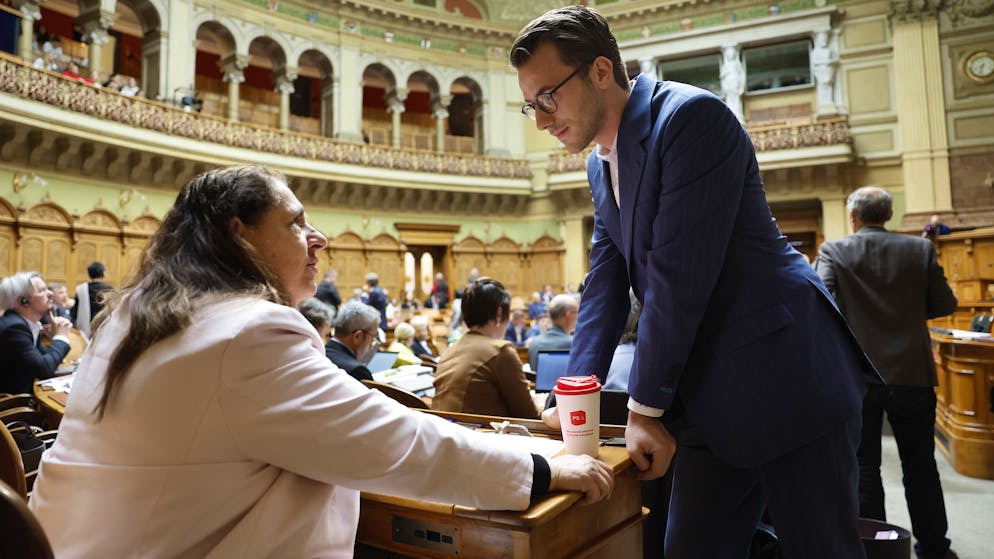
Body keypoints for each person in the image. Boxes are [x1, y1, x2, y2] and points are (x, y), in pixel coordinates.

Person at [29, 165, 612, 558]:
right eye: (295, 222)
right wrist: (539, 469)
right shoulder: (247, 330)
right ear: (240, 235)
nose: (318, 238)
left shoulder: (132, 319)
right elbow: (390, 441)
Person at [511, 7, 877, 557]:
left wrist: (643, 411)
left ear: (601, 71)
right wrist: (572, 394)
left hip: (789, 378)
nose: (541, 121)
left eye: (547, 98)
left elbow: (677, 280)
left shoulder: (690, 118)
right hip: (710, 397)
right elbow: (605, 284)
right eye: (530, 105)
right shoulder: (599, 164)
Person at [815, 187, 959, 559]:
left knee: (864, 465)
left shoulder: (834, 251)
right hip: (913, 372)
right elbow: (945, 302)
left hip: (859, 376)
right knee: (921, 465)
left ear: (853, 217)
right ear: (889, 215)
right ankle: (934, 547)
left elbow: (820, 303)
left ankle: (874, 548)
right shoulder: (920, 249)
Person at [431, 278, 539, 419]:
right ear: (499, 314)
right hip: (474, 432)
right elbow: (529, 415)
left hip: (444, 430)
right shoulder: (501, 351)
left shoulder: (450, 350)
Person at [0, 272, 73, 394]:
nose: (50, 294)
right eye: (41, 291)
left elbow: (45, 359)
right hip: (14, 402)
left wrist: (55, 335)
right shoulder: (13, 328)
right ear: (23, 301)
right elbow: (44, 368)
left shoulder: (28, 324)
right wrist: (61, 337)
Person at [325, 300, 382, 382]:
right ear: (357, 336)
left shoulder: (319, 353)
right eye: (373, 338)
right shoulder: (358, 372)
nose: (371, 345)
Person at [527, 294, 578, 371]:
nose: (578, 316)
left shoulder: (534, 343)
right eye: (576, 312)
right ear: (568, 314)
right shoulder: (574, 343)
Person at [71, 261, 113, 338]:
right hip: (103, 326)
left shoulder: (81, 289)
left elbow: (74, 311)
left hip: (85, 328)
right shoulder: (109, 289)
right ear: (103, 273)